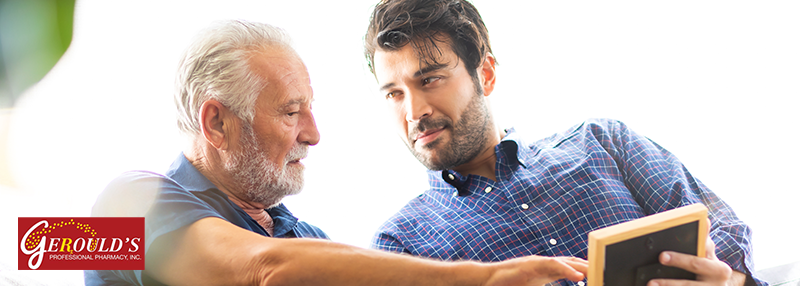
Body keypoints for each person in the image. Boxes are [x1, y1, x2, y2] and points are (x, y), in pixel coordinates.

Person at [84, 19, 589, 286]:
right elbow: (266, 270)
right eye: (291, 112)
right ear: (216, 122)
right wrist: (485, 277)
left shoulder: (311, 241)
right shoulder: (119, 208)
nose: (314, 134)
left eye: (311, 109)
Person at [363, 0, 765, 285]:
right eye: (393, 93)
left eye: (430, 79)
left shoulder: (604, 142)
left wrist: (728, 281)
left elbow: (724, 235)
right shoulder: (398, 245)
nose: (414, 111)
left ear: (485, 74)